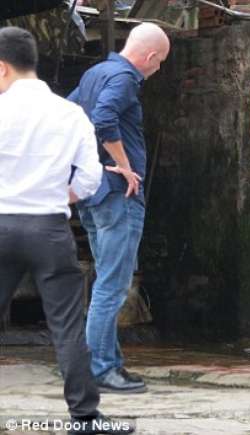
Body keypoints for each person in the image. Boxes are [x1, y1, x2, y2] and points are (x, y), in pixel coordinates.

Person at [0, 26, 133, 434]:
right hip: (49, 228)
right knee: (67, 326)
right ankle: (86, 418)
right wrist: (64, 195)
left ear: (2, 68)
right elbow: (91, 179)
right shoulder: (70, 113)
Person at [68, 22, 169, 393]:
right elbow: (103, 118)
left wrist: (83, 167)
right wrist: (123, 164)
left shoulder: (95, 73)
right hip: (117, 195)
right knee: (113, 285)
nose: (158, 71)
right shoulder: (125, 78)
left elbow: (68, 114)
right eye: (161, 63)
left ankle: (108, 363)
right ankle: (98, 369)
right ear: (151, 57)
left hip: (94, 193)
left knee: (106, 283)